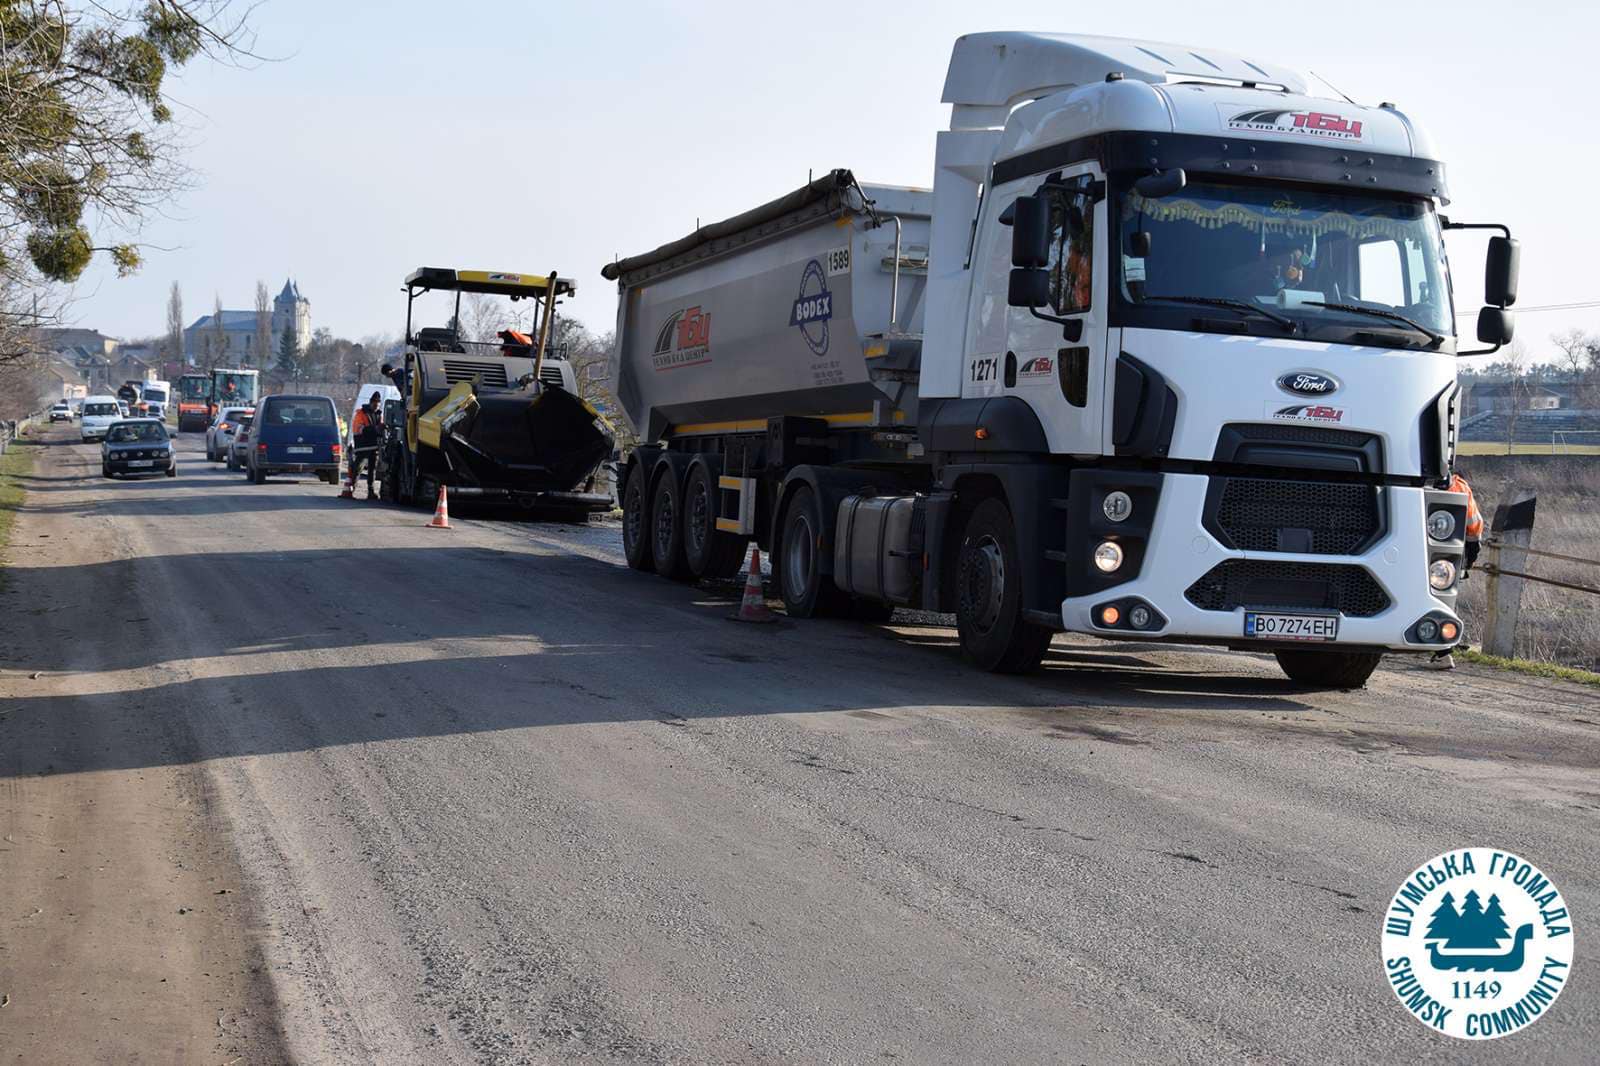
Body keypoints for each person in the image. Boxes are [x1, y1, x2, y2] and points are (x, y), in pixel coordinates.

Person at [1427, 472, 1483, 671]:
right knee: (1443, 601)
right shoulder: (1459, 487)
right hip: (1448, 558)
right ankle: (1444, 650)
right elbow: (1474, 527)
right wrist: (1470, 558)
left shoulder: (1405, 481)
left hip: (1412, 554)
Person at [350, 391, 383, 499]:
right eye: (375, 404)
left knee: (372, 470)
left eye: (378, 404)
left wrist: (382, 429)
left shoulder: (378, 414)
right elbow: (358, 429)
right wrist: (375, 429)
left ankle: (371, 491)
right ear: (370, 402)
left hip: (373, 447)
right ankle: (351, 488)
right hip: (363, 446)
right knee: (358, 468)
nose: (376, 406)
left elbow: (379, 427)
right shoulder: (361, 413)